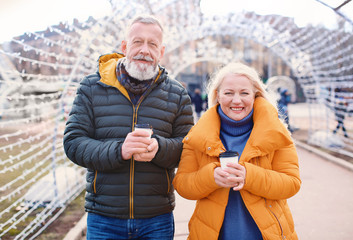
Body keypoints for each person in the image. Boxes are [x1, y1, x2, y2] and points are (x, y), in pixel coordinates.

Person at [63, 15, 194, 239]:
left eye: (152, 44)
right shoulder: (92, 87)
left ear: (161, 52)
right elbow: (74, 142)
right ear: (124, 46)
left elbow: (189, 149)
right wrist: (119, 151)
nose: (145, 49)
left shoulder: (177, 94)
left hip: (157, 219)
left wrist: (159, 149)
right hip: (104, 217)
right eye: (137, 42)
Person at [173, 62, 301, 240]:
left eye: (244, 93)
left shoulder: (277, 133)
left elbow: (291, 183)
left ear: (255, 95)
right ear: (217, 95)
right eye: (228, 93)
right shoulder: (197, 136)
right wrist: (211, 177)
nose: (236, 100)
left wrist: (250, 176)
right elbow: (182, 185)